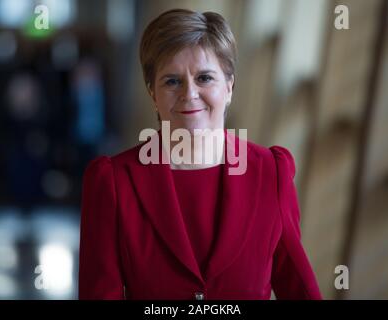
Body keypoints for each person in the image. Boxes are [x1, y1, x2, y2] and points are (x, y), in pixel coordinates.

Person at [79, 8, 322, 300]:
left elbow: (301, 292)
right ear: (152, 93)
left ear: (229, 87)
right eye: (172, 81)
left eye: (205, 78)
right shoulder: (113, 182)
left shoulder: (271, 173)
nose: (189, 94)